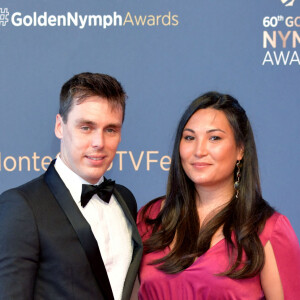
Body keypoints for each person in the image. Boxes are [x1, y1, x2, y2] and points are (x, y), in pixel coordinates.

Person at [137, 92, 300, 299]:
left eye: (214, 138)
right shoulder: (150, 217)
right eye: (189, 137)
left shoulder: (269, 229)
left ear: (240, 149)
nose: (199, 150)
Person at [0, 72, 142, 300]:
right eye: (86, 127)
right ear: (59, 126)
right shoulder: (22, 206)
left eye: (111, 129)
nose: (99, 143)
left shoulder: (125, 199)